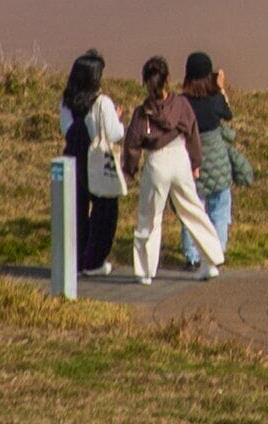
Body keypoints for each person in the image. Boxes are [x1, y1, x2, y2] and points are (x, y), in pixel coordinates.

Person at [121, 54, 224, 282]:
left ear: (145, 82)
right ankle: (211, 260)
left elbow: (132, 144)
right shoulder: (180, 104)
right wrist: (196, 163)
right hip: (180, 158)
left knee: (149, 216)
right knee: (193, 209)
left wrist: (129, 170)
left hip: (156, 161)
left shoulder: (142, 113)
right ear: (168, 79)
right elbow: (192, 134)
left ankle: (145, 271)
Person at [183, 52, 254, 272]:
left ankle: (192, 255)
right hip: (219, 166)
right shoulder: (214, 101)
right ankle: (217, 251)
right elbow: (228, 113)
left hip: (192, 164)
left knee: (192, 210)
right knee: (220, 209)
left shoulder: (183, 103)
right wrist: (221, 88)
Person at [57, 51, 125, 279]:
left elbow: (66, 130)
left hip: (72, 160)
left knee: (76, 212)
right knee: (105, 211)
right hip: (96, 161)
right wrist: (117, 118)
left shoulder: (66, 102)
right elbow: (114, 134)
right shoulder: (102, 102)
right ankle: (94, 261)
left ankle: (77, 260)